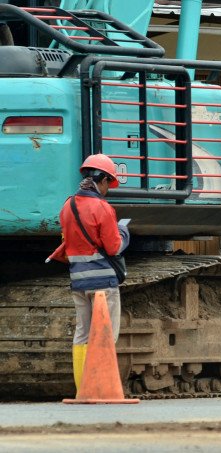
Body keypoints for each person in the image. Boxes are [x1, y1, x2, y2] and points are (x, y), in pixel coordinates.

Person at [52, 154, 130, 391]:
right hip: (103, 284)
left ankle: (83, 388)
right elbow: (114, 247)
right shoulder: (102, 208)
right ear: (102, 179)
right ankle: (102, 387)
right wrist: (124, 232)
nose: (108, 189)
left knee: (82, 335)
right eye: (109, 183)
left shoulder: (68, 206)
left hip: (78, 282)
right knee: (106, 335)